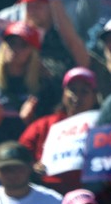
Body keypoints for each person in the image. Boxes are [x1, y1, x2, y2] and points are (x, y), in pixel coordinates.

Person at [19, 66, 99, 195]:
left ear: (94, 97)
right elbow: (19, 155)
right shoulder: (43, 125)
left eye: (84, 91)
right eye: (72, 90)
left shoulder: (103, 125)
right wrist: (32, 167)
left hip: (92, 197)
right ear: (63, 94)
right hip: (48, 193)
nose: (77, 96)